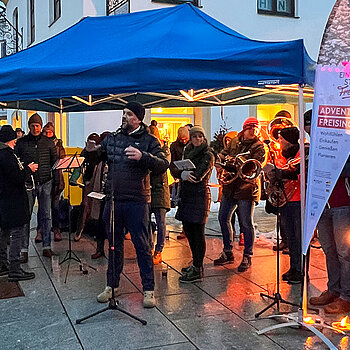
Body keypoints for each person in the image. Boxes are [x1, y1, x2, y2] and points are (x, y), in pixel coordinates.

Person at [96, 101, 169, 308]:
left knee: (142, 246)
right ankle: (112, 285)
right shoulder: (114, 138)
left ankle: (148, 289)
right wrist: (91, 150)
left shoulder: (149, 140)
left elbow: (163, 164)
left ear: (138, 118)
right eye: (124, 113)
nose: (124, 117)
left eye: (128, 114)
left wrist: (143, 156)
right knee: (113, 246)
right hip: (114, 199)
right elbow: (98, 155)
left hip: (137, 201)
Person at [307, 108, 350, 313]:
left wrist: (331, 165)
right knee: (329, 250)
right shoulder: (317, 143)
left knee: (345, 252)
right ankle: (333, 289)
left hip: (343, 202)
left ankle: (346, 296)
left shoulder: (345, 141)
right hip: (322, 202)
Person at [214, 117, 266, 271]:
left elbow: (254, 167)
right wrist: (221, 160)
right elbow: (224, 153)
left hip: (247, 187)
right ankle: (227, 251)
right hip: (231, 185)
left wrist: (233, 166)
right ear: (245, 128)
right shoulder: (235, 141)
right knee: (223, 217)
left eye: (256, 128)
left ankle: (247, 255)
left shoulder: (259, 146)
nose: (254, 131)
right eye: (250, 128)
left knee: (246, 222)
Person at [175, 126, 214, 282]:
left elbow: (197, 175)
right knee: (189, 231)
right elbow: (175, 168)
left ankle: (198, 268)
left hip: (199, 196)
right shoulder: (187, 151)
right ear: (190, 138)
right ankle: (195, 263)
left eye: (200, 136)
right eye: (195, 136)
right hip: (187, 195)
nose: (198, 139)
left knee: (198, 233)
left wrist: (184, 173)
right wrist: (181, 173)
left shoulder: (208, 154)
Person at [15, 113, 58, 260]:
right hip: (28, 183)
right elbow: (17, 162)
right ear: (29, 127)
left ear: (41, 125)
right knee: (25, 216)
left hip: (46, 181)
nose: (35, 128)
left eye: (37, 125)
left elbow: (55, 162)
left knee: (46, 215)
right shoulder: (21, 143)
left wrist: (57, 182)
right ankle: (24, 249)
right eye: (33, 126)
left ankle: (47, 246)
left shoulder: (48, 142)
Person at [0, 125, 37, 281]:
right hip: (13, 201)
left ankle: (2, 264)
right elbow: (17, 177)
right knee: (16, 233)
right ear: (9, 140)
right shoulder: (6, 155)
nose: (16, 142)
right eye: (14, 139)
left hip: (5, 201)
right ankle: (15, 268)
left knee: (3, 233)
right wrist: (29, 169)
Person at [273, 127, 303, 284]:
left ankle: (300, 270)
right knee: (290, 237)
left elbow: (298, 172)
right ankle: (293, 267)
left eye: (282, 139)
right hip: (285, 200)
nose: (279, 142)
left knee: (298, 237)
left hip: (297, 200)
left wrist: (281, 173)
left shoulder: (301, 153)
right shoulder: (282, 155)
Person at [74, 133, 103, 242]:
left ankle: (96, 231)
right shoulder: (85, 152)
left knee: (97, 206)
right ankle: (80, 229)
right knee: (85, 205)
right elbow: (79, 166)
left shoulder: (100, 152)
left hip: (97, 181)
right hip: (87, 181)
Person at [149, 127, 170, 265]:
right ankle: (150, 248)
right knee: (146, 222)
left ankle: (158, 250)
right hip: (148, 189)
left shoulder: (163, 152)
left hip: (160, 190)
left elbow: (161, 166)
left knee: (160, 222)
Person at [42, 122, 65, 242]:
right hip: (45, 178)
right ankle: (40, 230)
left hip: (57, 180)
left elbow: (62, 157)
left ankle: (57, 229)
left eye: (49, 132)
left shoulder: (58, 144)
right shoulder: (40, 143)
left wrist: (57, 147)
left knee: (55, 206)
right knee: (43, 207)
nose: (47, 134)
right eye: (45, 132)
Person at [169, 126, 190, 239]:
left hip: (190, 176)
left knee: (189, 205)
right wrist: (175, 174)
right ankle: (184, 229)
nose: (184, 141)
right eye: (181, 139)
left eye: (185, 139)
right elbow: (172, 163)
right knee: (181, 203)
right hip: (180, 176)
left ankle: (188, 229)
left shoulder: (192, 145)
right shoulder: (174, 146)